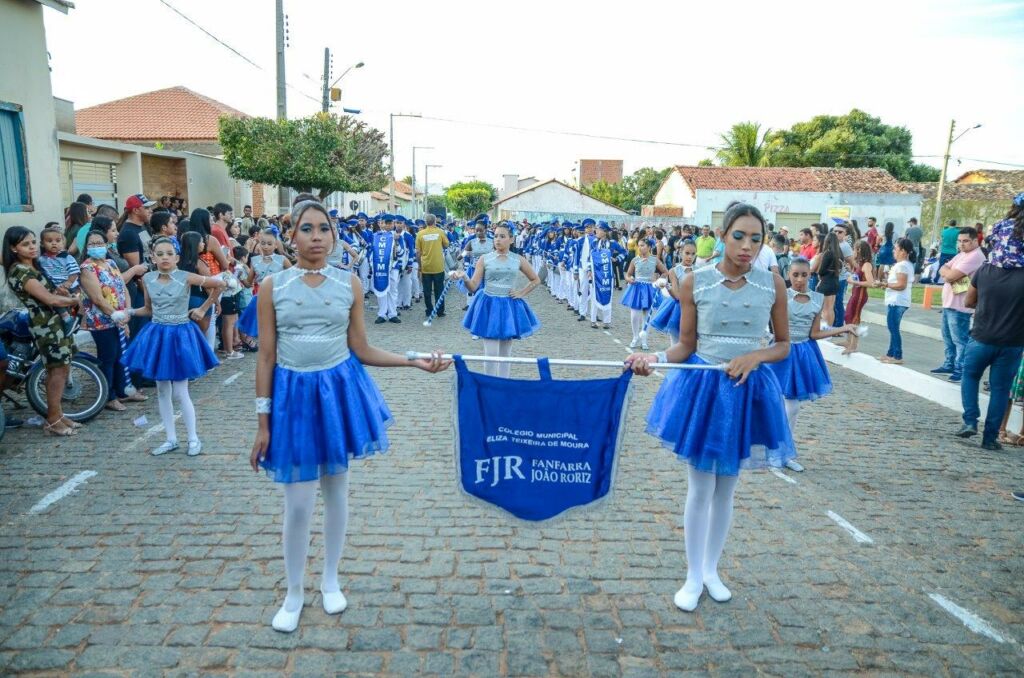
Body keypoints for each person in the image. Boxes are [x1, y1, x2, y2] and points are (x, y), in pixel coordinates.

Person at [248, 199, 449, 633]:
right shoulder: (273, 287)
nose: (316, 237)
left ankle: (330, 579)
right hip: (293, 397)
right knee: (298, 504)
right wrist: (263, 422)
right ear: (291, 235)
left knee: (336, 491)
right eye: (306, 229)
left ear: (333, 235)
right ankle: (294, 591)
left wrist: (413, 361)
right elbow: (265, 356)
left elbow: (362, 348)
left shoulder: (349, 284)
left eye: (323, 228)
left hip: (338, 393)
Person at [627, 201, 795, 613]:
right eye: (739, 236)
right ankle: (691, 575)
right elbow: (686, 345)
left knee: (727, 489)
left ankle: (712, 570)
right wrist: (655, 359)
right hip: (704, 387)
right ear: (721, 236)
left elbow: (783, 344)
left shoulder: (772, 284)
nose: (747, 246)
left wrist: (754, 357)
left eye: (756, 238)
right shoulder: (693, 281)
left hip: (746, 389)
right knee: (700, 487)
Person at [122, 237, 226, 456]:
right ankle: (171, 438)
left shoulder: (186, 277)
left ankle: (193, 438)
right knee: (161, 390)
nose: (165, 258)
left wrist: (203, 308)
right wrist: (129, 313)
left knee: (181, 390)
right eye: (160, 254)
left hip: (180, 335)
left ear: (177, 257)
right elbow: (148, 309)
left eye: (169, 253)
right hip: (158, 334)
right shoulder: (148, 278)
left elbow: (219, 284)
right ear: (152, 257)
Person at [769, 258, 855, 471]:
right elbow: (772, 326)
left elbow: (814, 333)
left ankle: (784, 453)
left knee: (793, 407)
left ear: (810, 275)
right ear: (789, 275)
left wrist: (842, 329)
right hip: (781, 350)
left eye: (804, 275)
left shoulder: (817, 298)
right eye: (795, 275)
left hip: (803, 353)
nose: (799, 279)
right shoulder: (781, 297)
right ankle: (774, 448)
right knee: (776, 402)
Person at [957, 195, 1024, 450]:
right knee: (1000, 389)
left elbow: (968, 302)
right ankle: (990, 438)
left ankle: (970, 420)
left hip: (982, 336)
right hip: (1013, 342)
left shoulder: (986, 269)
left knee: (970, 375)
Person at [3, 227, 81, 436]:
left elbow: (52, 293)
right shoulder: (20, 270)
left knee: (62, 368)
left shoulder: (34, 266)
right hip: (46, 325)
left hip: (54, 322)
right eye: (25, 244)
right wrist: (73, 299)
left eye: (33, 242)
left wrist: (62, 293)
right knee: (56, 369)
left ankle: (58, 414)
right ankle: (53, 419)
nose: (32, 247)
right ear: (13, 248)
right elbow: (48, 299)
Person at [456, 222, 541, 378]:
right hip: (489, 305)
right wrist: (465, 277)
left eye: (502, 236)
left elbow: (535, 279)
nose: (498, 240)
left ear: (511, 239)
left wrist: (522, 292)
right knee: (491, 353)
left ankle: (503, 386)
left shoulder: (518, 259)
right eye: (495, 236)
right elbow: (473, 286)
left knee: (505, 355)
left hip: (509, 305)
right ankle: (490, 386)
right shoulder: (485, 259)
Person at [79, 228, 150, 411]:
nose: (96, 247)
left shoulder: (110, 263)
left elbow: (122, 287)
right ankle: (108, 396)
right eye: (92, 244)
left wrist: (126, 311)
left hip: (120, 316)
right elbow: (97, 298)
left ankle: (123, 391)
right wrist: (114, 314)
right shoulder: (87, 268)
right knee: (108, 357)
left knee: (122, 355)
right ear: (86, 246)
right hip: (102, 320)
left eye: (99, 243)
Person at [931, 227, 986, 383]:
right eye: (960, 241)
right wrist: (947, 272)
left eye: (966, 241)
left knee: (960, 339)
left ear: (976, 241)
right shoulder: (963, 254)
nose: (961, 244)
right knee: (948, 337)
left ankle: (960, 368)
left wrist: (948, 272)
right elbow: (943, 267)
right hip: (950, 303)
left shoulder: (975, 256)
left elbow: (950, 275)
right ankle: (949, 363)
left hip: (961, 305)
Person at [238, 229, 291, 338]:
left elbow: (294, 276)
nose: (266, 246)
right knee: (265, 332)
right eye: (263, 243)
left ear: (276, 245)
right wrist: (240, 276)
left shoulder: (282, 259)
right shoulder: (255, 260)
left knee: (280, 331)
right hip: (261, 299)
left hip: (279, 298)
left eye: (269, 244)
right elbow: (248, 283)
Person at [622, 238, 668, 350]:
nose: (640, 247)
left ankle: (644, 340)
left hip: (649, 288)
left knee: (647, 316)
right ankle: (635, 337)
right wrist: (629, 279)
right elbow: (627, 274)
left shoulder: (655, 260)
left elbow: (665, 272)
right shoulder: (635, 260)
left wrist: (659, 282)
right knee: (634, 316)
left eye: (642, 245)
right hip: (637, 288)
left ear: (649, 247)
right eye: (639, 245)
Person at [876, 238, 916, 364]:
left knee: (893, 328)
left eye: (896, 249)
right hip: (895, 300)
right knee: (892, 327)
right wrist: (886, 284)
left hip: (897, 301)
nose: (894, 251)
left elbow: (901, 285)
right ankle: (891, 353)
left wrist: (885, 284)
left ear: (903, 251)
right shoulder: (902, 265)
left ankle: (897, 355)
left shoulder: (903, 265)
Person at [650, 240, 697, 343]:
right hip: (678, 308)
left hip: (695, 307)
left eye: (693, 254)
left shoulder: (699, 270)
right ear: (681, 253)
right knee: (676, 342)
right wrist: (667, 286)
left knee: (693, 343)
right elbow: (676, 295)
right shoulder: (674, 271)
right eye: (687, 253)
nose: (690, 257)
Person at [369, 214, 404, 324]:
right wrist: (371, 265)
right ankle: (382, 314)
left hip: (393, 267)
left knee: (393, 291)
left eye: (390, 223)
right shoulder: (375, 236)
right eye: (386, 223)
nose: (388, 226)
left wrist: (396, 242)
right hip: (380, 267)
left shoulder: (397, 236)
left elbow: (401, 252)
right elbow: (371, 252)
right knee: (381, 290)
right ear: (381, 223)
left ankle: (393, 314)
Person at [843, 241, 875, 355]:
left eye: (854, 249)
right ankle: (848, 341)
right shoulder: (860, 264)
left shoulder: (866, 265)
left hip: (860, 294)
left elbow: (871, 282)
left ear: (859, 250)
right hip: (855, 293)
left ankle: (853, 345)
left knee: (854, 318)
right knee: (848, 316)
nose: (852, 252)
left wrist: (854, 281)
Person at [811, 231, 843, 327]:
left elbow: (821, 271)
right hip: (835, 282)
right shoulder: (839, 254)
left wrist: (817, 272)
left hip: (826, 283)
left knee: (824, 309)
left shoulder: (828, 253)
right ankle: (829, 329)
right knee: (830, 309)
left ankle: (824, 330)